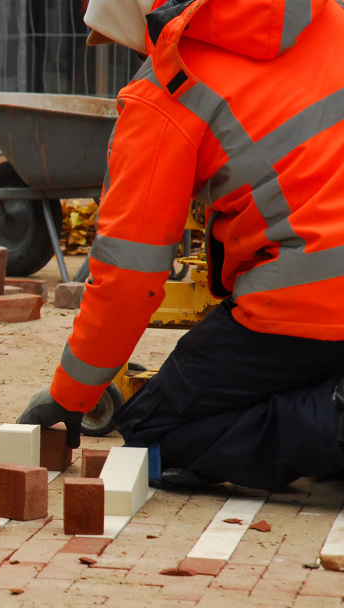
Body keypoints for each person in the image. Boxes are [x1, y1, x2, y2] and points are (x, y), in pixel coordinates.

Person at [18, 0, 344, 491]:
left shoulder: (168, 90)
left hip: (311, 298)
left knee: (155, 431)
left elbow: (128, 275)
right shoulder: (324, 15)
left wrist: (71, 396)